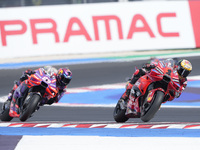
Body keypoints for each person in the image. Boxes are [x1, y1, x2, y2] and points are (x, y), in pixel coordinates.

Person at [120, 58, 192, 105]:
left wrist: (177, 92)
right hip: (159, 77)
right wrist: (151, 66)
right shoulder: (171, 66)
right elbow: (161, 64)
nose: (183, 74)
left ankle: (154, 103)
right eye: (182, 71)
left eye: (186, 73)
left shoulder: (184, 81)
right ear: (178, 66)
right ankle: (127, 93)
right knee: (140, 72)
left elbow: (179, 92)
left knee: (168, 97)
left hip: (167, 88)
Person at [7, 66, 72, 105]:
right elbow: (43, 70)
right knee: (26, 75)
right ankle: (12, 91)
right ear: (59, 75)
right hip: (41, 82)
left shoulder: (63, 88)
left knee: (44, 102)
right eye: (64, 79)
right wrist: (33, 72)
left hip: (45, 96)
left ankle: (32, 107)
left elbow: (57, 99)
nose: (64, 82)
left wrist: (52, 99)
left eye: (67, 81)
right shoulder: (53, 73)